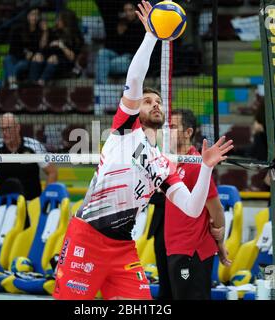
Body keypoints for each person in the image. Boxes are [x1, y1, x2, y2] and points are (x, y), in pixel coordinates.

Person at [52, 1, 233, 300]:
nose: (155, 105)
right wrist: (151, 35)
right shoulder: (125, 131)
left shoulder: (163, 164)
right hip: (87, 237)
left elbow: (191, 206)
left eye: (159, 102)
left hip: (123, 248)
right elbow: (134, 79)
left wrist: (207, 168)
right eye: (148, 101)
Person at [164, 109, 230, 300]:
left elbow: (216, 208)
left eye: (174, 127)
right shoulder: (170, 164)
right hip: (176, 248)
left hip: (193, 251)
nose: (168, 131)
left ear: (188, 132)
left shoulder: (195, 165)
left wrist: (220, 240)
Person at [0, 113, 58, 200]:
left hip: (31, 203)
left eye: (8, 128)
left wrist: (44, 199)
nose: (4, 133)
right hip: (6, 204)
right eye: (2, 129)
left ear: (17, 128)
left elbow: (52, 172)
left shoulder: (34, 146)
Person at [28, 9, 84, 85]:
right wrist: (45, 31)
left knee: (53, 58)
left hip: (64, 63)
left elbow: (72, 57)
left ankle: (41, 82)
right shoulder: (54, 31)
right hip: (47, 60)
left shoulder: (76, 37)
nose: (57, 21)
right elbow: (42, 46)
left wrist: (61, 45)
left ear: (66, 20)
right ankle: (32, 83)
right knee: (37, 56)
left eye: (59, 19)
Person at [95, 1, 145, 84]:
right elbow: (114, 45)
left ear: (136, 11)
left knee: (106, 64)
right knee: (102, 53)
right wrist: (119, 34)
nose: (128, 13)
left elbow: (134, 48)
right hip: (117, 55)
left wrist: (126, 33)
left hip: (131, 59)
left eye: (130, 10)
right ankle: (101, 87)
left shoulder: (141, 25)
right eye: (126, 11)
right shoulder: (120, 23)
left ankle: (102, 75)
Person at [3, 7, 42, 88]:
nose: (35, 17)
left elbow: (39, 49)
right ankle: (12, 83)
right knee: (7, 59)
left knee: (20, 65)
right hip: (16, 56)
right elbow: (12, 49)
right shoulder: (18, 29)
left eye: (37, 15)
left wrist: (31, 54)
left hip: (28, 60)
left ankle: (7, 84)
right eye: (32, 14)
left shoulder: (40, 31)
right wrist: (24, 53)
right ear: (28, 16)